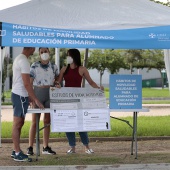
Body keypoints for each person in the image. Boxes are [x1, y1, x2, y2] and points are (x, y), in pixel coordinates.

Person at [56, 48, 104, 154]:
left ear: (74, 57)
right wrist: (57, 85)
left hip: (79, 100)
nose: (68, 57)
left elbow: (91, 82)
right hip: (67, 100)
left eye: (69, 55)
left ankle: (86, 146)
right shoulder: (64, 69)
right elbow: (58, 83)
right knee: (69, 123)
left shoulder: (82, 69)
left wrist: (99, 89)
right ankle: (72, 147)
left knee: (81, 123)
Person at [11, 47, 44, 162]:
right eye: (33, 47)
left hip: (21, 95)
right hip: (19, 95)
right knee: (18, 123)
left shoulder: (20, 58)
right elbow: (26, 83)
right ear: (30, 48)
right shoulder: (23, 61)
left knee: (20, 123)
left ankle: (16, 150)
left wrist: (29, 96)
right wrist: (36, 99)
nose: (34, 49)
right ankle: (17, 152)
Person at [27, 47, 59, 155]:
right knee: (35, 121)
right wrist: (31, 97)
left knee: (47, 121)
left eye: (45, 51)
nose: (44, 53)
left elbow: (58, 79)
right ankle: (30, 147)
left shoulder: (54, 66)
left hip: (49, 94)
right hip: (38, 93)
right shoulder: (34, 66)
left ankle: (45, 147)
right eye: (41, 52)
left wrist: (58, 83)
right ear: (39, 54)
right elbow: (30, 82)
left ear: (49, 52)